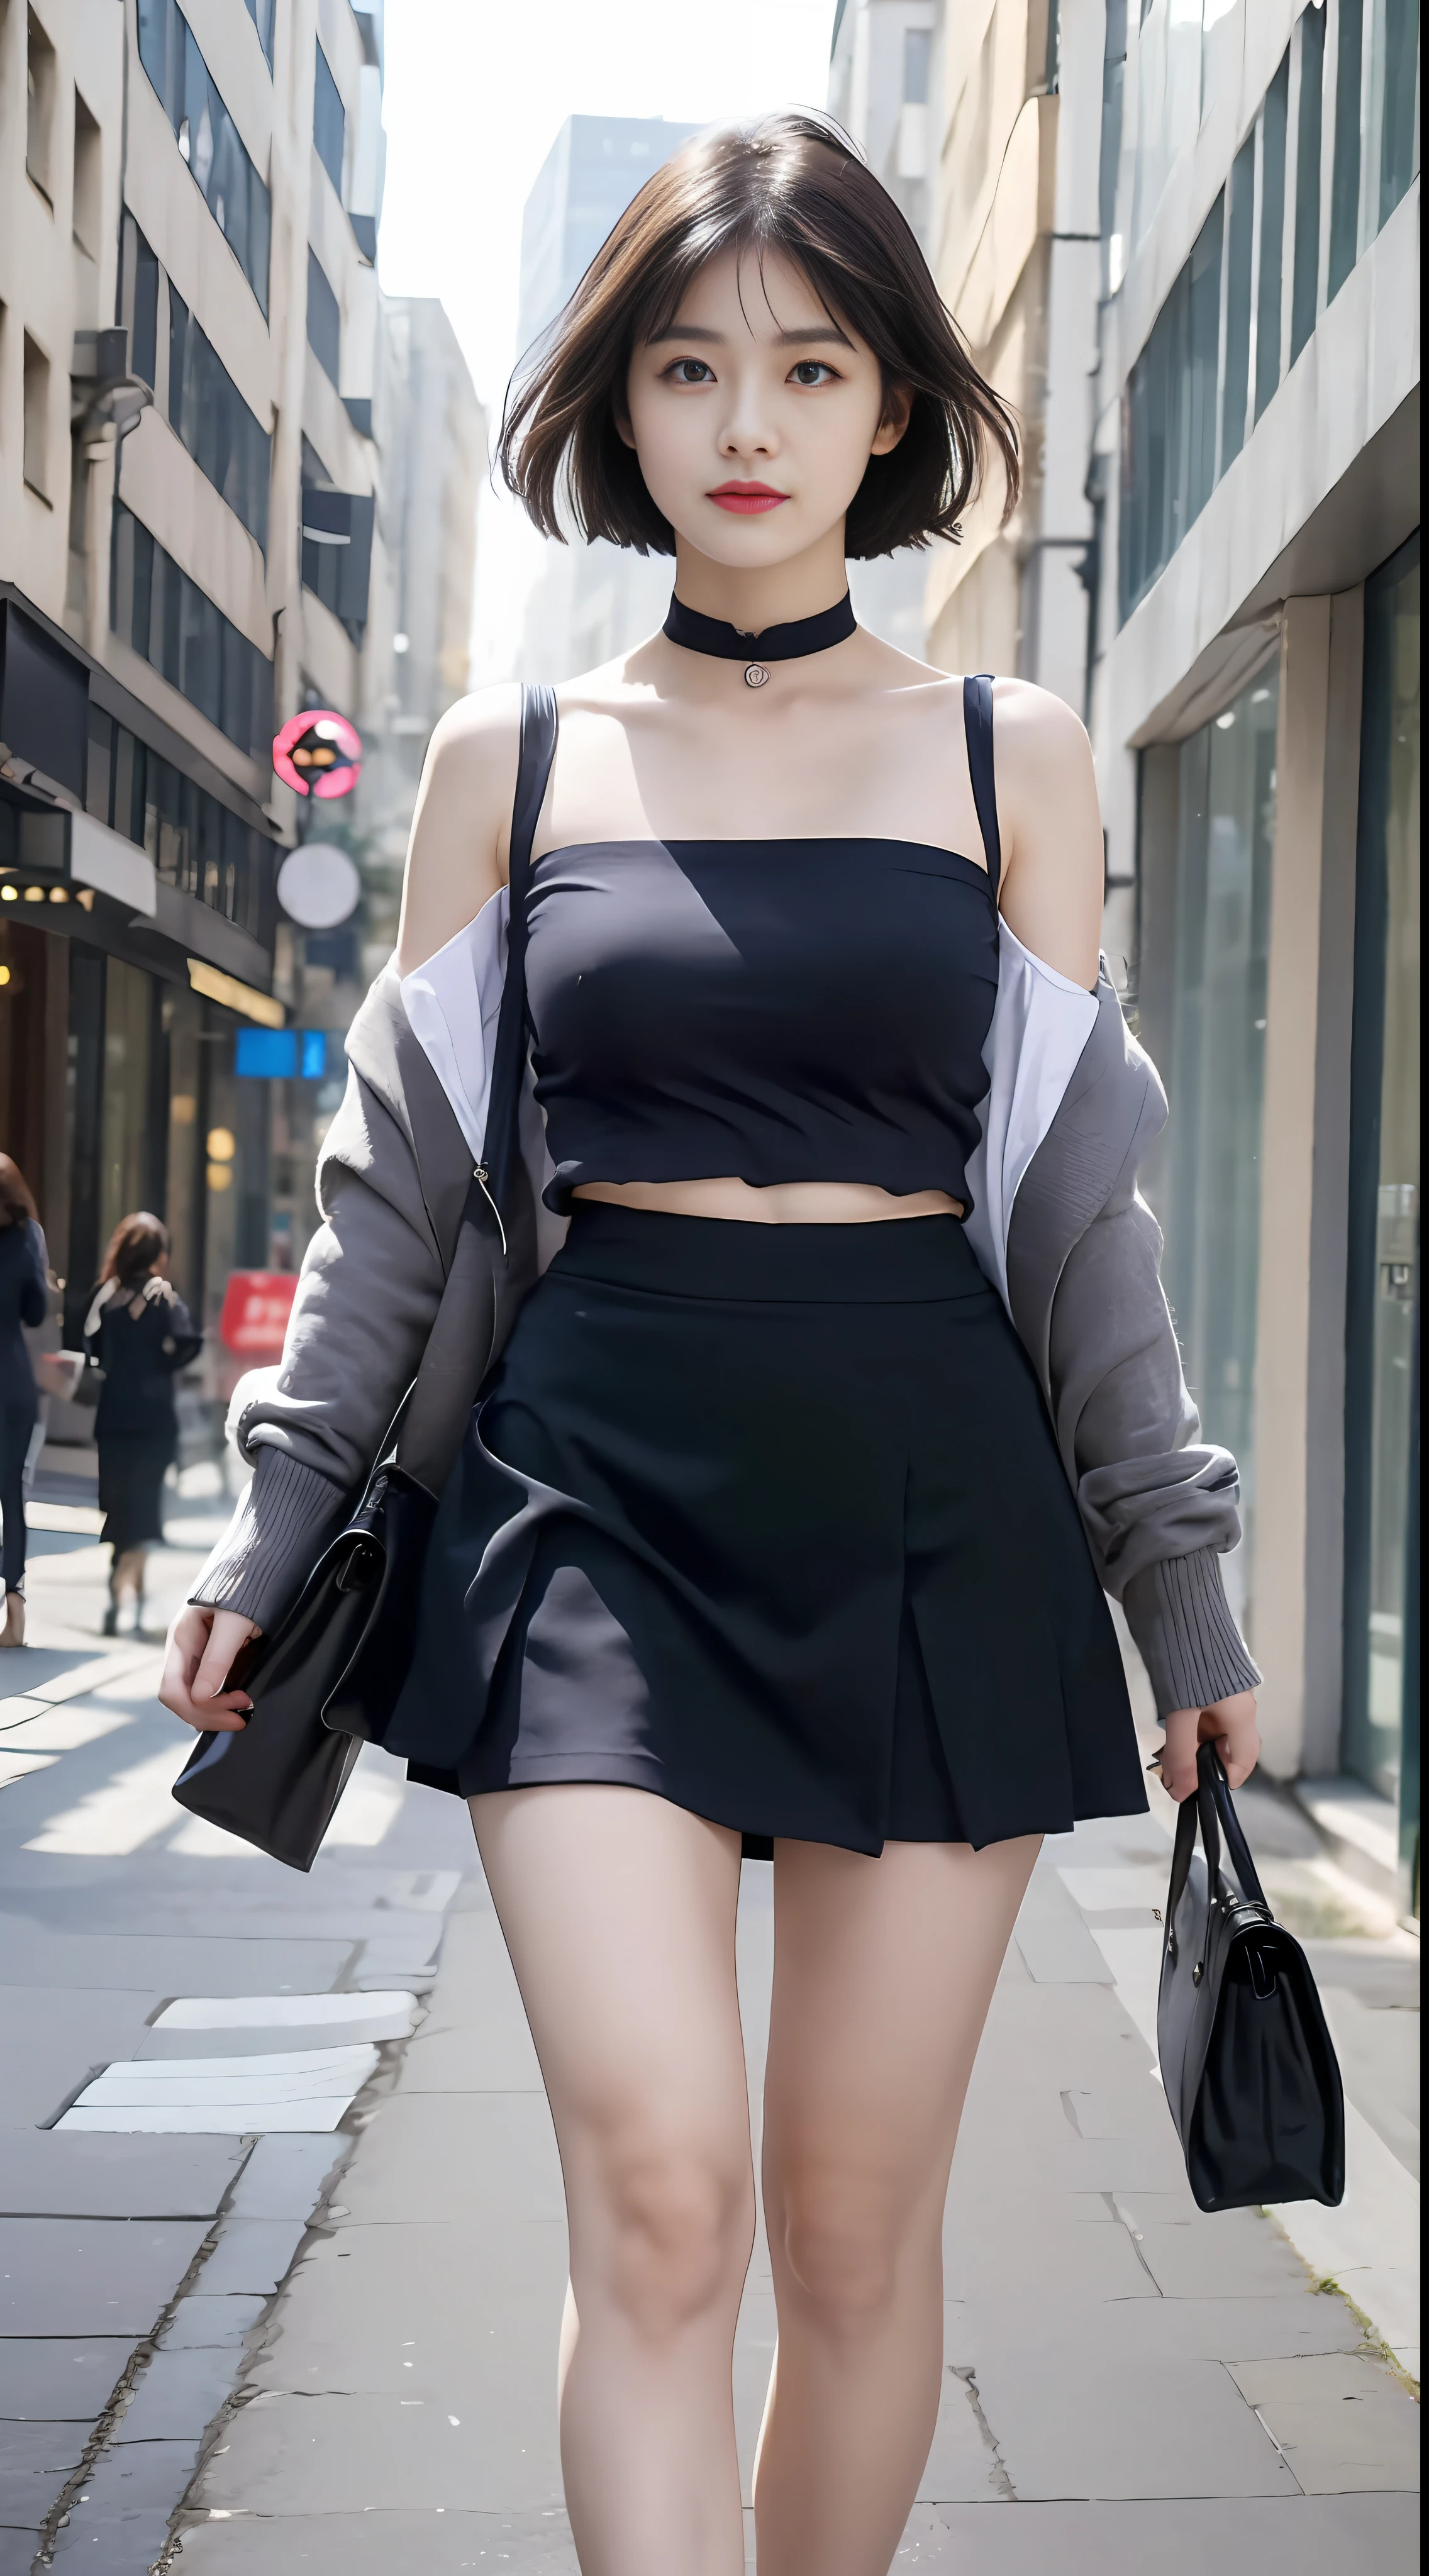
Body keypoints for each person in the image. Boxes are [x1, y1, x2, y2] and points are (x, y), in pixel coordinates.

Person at [162, 115, 1262, 2576]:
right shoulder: (503, 762)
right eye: (685, 365)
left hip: (930, 1491)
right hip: (590, 1500)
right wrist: (272, 1520)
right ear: (616, 405)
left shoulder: (1021, 758)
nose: (742, 420)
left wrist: (1177, 1598)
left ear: (892, 406)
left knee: (853, 2237)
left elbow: (1089, 1230)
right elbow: (399, 1190)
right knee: (662, 2196)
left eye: (804, 363)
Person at [86, 1214, 199, 1638]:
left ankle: (122, 1592)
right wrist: (162, 1365)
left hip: (114, 1416)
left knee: (119, 1509)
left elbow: (91, 1348)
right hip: (154, 1418)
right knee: (144, 1508)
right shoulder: (163, 1296)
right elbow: (190, 1342)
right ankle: (128, 1588)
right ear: (158, 1256)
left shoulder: (107, 1294)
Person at [0, 1155, 48, 1650]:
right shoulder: (26, 1236)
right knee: (11, 1496)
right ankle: (14, 1616)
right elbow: (35, 1313)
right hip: (11, 1383)